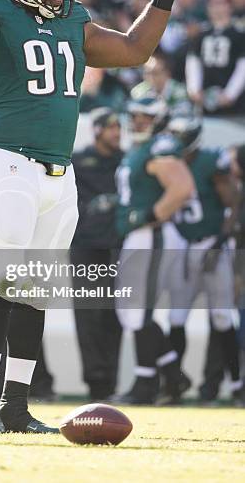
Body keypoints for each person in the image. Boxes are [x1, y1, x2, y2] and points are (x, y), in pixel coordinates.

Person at [0, 0, 203, 432]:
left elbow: (134, 50)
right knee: (5, 279)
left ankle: (16, 406)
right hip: (7, 160)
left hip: (59, 174)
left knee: (35, 288)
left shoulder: (73, 21)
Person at [115, 97, 194, 405]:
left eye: (145, 117)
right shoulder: (139, 148)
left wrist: (151, 216)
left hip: (152, 235)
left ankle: (146, 383)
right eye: (134, 115)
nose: (137, 121)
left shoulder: (160, 148)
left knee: (139, 311)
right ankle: (173, 374)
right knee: (130, 312)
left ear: (159, 120)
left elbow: (182, 187)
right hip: (139, 236)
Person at [166, 117, 243, 405]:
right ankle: (173, 384)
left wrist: (222, 241)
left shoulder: (211, 161)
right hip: (182, 247)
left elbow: (233, 201)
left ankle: (236, 384)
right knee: (175, 317)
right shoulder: (166, 160)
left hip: (211, 245)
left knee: (222, 317)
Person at [70, 107, 123, 401]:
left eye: (119, 128)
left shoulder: (124, 160)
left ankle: (112, 383)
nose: (117, 133)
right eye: (112, 127)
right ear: (98, 130)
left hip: (118, 247)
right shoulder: (79, 161)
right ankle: (96, 382)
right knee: (89, 315)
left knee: (116, 315)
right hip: (85, 247)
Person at [185, 0, 245, 114]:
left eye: (220, 3)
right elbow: (193, 61)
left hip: (234, 104)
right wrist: (194, 89)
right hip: (204, 98)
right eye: (213, 4)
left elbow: (243, 66)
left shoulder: (239, 34)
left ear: (229, 6)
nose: (217, 8)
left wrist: (230, 94)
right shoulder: (201, 34)